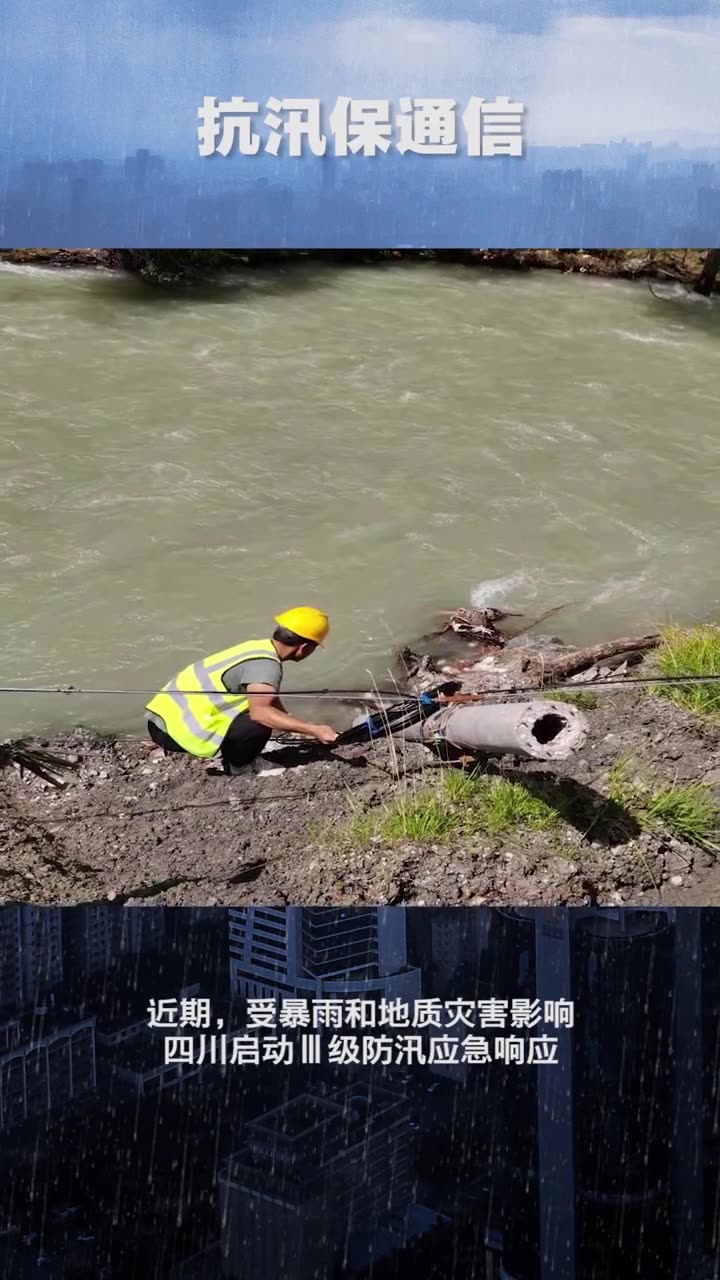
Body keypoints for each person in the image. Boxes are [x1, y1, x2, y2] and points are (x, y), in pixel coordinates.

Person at [144, 608, 338, 774]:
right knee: (260, 721)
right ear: (304, 647)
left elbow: (269, 699)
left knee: (263, 710)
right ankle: (240, 767)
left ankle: (235, 750)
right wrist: (314, 730)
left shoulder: (257, 648)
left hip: (161, 719)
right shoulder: (267, 667)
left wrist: (295, 724)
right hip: (176, 733)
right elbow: (262, 712)